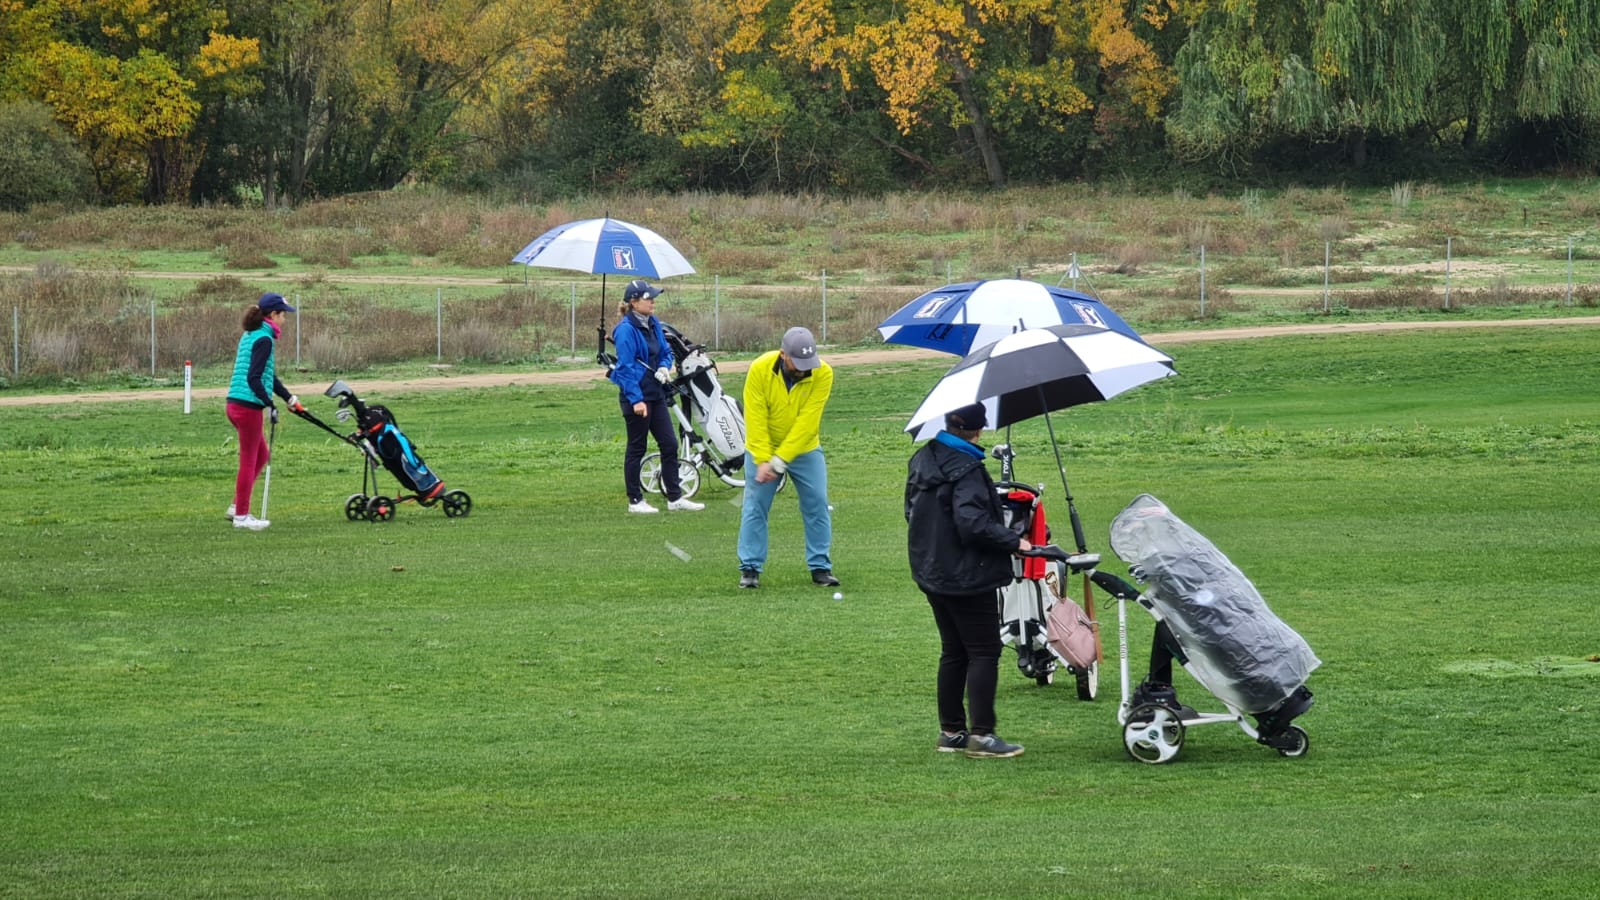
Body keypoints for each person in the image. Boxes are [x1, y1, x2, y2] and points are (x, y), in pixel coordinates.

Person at [904, 402, 1032, 758]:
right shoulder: (969, 470)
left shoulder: (923, 459)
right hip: (966, 574)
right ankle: (982, 735)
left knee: (954, 650)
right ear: (979, 430)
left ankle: (951, 732)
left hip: (931, 570)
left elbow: (910, 512)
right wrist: (1014, 541)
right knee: (983, 651)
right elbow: (972, 523)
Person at [736, 326, 836, 589]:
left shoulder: (823, 373)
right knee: (755, 504)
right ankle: (750, 568)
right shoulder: (759, 369)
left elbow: (807, 423)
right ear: (783, 355)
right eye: (798, 363)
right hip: (763, 448)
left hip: (805, 448)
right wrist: (763, 458)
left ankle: (820, 567)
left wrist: (780, 461)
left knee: (817, 502)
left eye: (808, 363)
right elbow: (755, 419)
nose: (804, 369)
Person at [608, 279, 704, 514]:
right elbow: (626, 368)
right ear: (633, 302)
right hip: (637, 398)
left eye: (652, 297)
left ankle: (674, 497)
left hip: (656, 393)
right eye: (648, 298)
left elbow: (665, 351)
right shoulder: (625, 330)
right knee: (637, 447)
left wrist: (664, 367)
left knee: (669, 444)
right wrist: (636, 400)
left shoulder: (653, 323)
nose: (652, 301)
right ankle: (635, 501)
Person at [225, 292, 304, 531]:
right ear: (273, 315)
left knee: (261, 456)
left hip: (237, 403)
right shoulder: (264, 339)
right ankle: (242, 516)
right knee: (249, 460)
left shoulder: (254, 334)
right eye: (283, 315)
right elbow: (254, 378)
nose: (285, 320)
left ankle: (237, 506)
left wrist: (289, 398)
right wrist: (269, 405)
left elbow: (268, 376)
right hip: (247, 407)